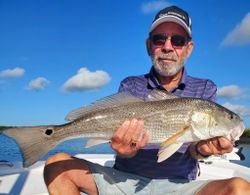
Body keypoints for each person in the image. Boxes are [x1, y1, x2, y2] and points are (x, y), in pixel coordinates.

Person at [43, 5, 250, 195]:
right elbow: (121, 147)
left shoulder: (205, 89)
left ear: (189, 48)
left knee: (241, 189)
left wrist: (203, 150)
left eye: (178, 41)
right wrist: (124, 151)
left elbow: (195, 150)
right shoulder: (131, 85)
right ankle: (53, 135)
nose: (168, 47)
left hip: (180, 186)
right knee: (56, 165)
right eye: (159, 39)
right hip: (124, 182)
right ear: (148, 45)